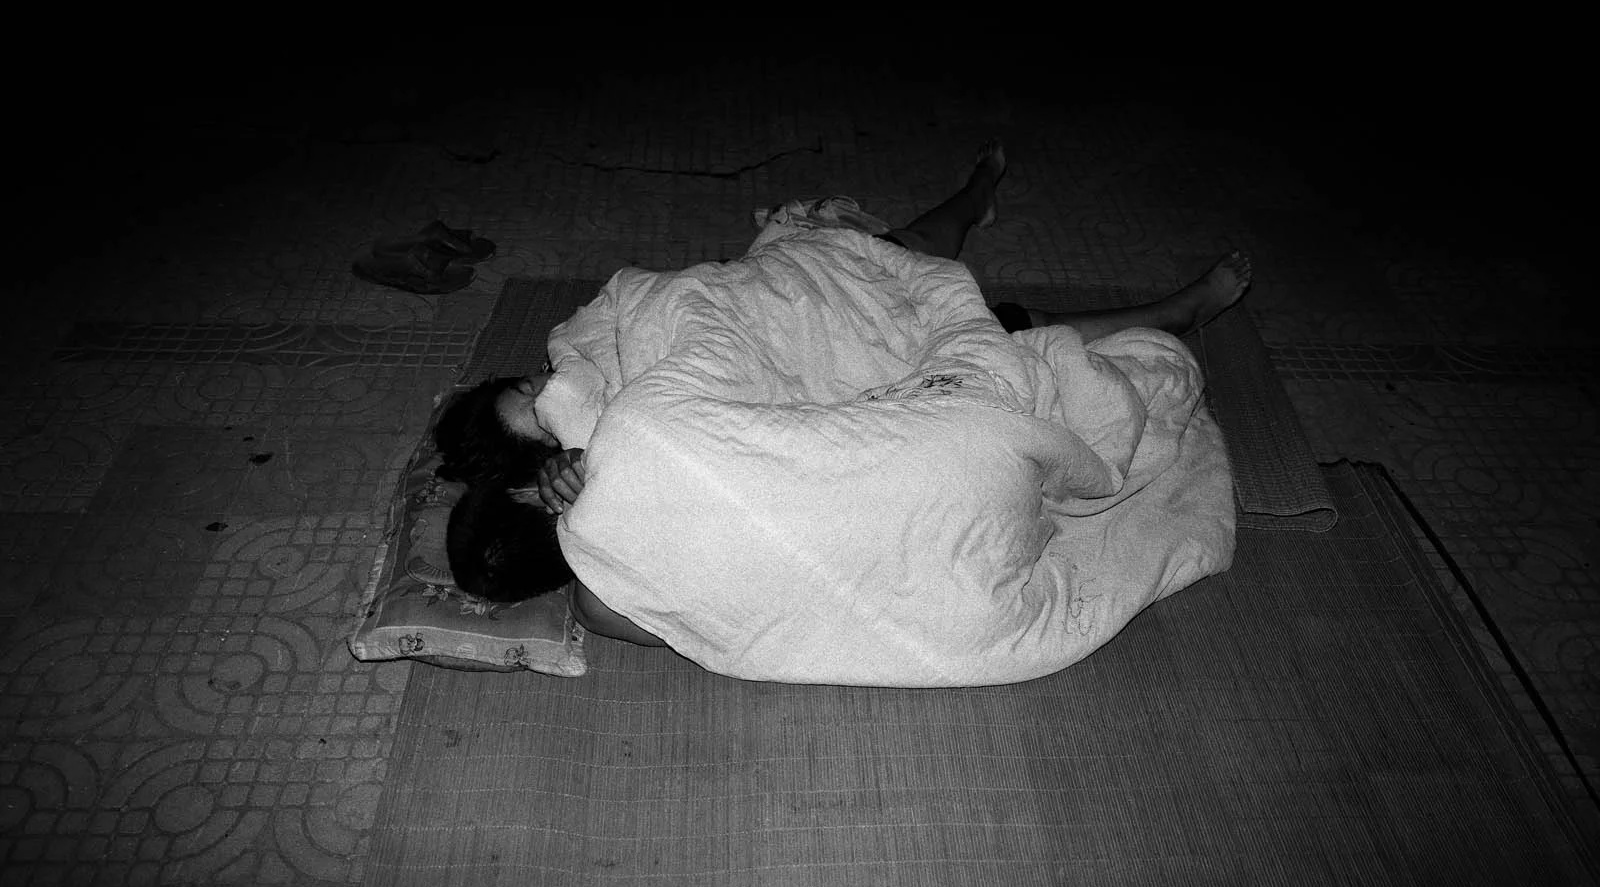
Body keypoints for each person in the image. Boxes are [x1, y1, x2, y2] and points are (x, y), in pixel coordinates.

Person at [436, 141, 1251, 648]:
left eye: (532, 385)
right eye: (540, 414)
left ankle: (972, 201)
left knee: (882, 261)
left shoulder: (593, 368)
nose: (553, 388)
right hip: (855, 396)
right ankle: (1168, 313)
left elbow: (677, 318)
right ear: (534, 477)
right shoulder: (607, 481)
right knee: (991, 335)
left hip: (789, 331)